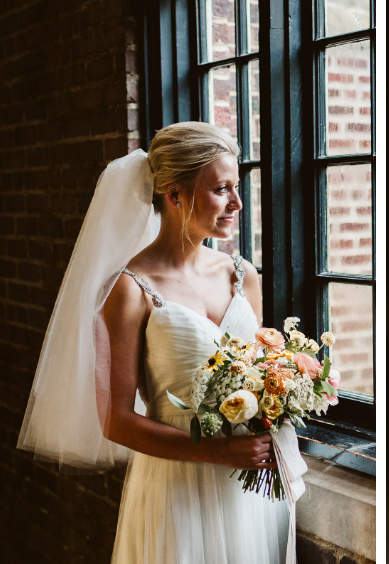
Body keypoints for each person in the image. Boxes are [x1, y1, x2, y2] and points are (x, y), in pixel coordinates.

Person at [18, 122, 290, 563]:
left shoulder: (242, 276)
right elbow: (116, 421)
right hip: (176, 490)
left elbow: (264, 379)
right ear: (175, 193)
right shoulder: (128, 289)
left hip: (245, 490)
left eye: (237, 187)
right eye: (222, 189)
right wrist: (220, 452)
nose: (238, 203)